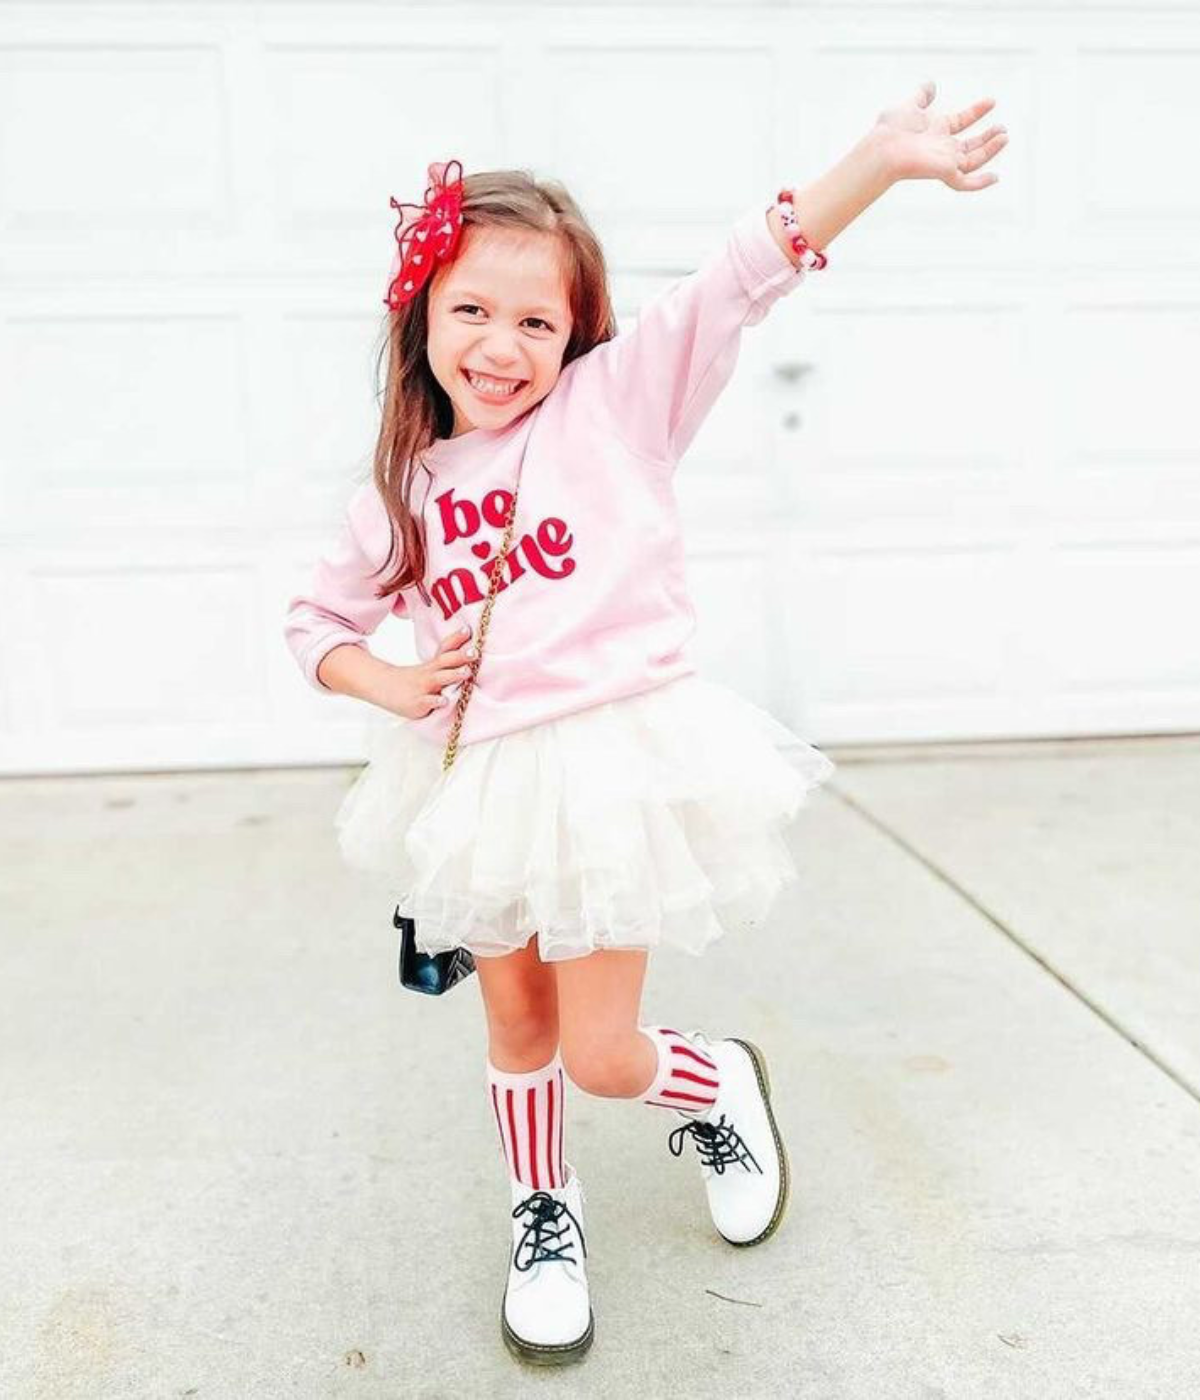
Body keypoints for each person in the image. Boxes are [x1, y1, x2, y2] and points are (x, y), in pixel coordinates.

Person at [283, 79, 1007, 1366]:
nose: (501, 346)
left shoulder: (616, 405)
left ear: (576, 333)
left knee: (603, 1051)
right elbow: (316, 621)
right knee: (517, 1024)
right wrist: (386, 681)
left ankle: (719, 1081)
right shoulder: (404, 488)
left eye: (537, 321)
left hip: (611, 768)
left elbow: (744, 271)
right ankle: (544, 1211)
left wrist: (879, 162)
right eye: (472, 310)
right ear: (422, 314)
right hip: (480, 782)